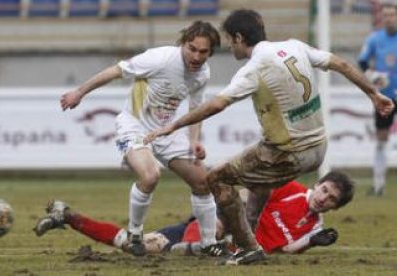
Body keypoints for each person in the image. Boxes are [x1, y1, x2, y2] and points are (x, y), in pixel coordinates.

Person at [144, 9, 394, 265]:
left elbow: (217, 105)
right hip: (318, 149)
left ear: (240, 38)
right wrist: (373, 94)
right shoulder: (295, 46)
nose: (230, 46)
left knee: (216, 178)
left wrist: (173, 126)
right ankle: (247, 231)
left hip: (288, 151)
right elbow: (340, 64)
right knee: (260, 179)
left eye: (230, 40)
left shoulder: (254, 68)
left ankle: (247, 246)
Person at [57, 21, 224, 257]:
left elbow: (196, 110)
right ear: (183, 44)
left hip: (166, 131)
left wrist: (194, 141)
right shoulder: (160, 59)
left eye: (203, 52)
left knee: (202, 181)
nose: (196, 56)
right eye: (192, 48)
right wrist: (79, 92)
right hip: (134, 125)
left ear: (211, 52)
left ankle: (208, 244)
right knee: (150, 175)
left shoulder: (202, 74)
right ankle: (135, 234)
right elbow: (115, 71)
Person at [32, 171, 354, 256]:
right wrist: (236, 220)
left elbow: (286, 249)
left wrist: (313, 243)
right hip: (218, 227)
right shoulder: (291, 188)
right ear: (319, 184)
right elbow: (246, 192)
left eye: (331, 200)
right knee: (213, 228)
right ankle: (195, 246)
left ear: (335, 208)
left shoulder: (314, 228)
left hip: (229, 247)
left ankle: (68, 216)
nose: (323, 199)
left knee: (137, 246)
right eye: (325, 191)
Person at [358, 3, 397, 197]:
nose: (389, 18)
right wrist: (372, 75)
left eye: (392, 15)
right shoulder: (375, 39)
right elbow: (363, 62)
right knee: (381, 139)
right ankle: (379, 185)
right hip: (385, 97)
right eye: (386, 15)